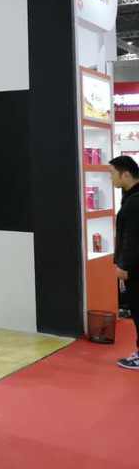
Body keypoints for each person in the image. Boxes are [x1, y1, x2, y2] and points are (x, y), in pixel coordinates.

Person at [111, 155, 139, 370]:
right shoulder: (131, 198)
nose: (111, 178)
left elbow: (133, 238)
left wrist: (123, 265)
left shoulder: (134, 202)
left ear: (126, 174)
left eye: (113, 173)